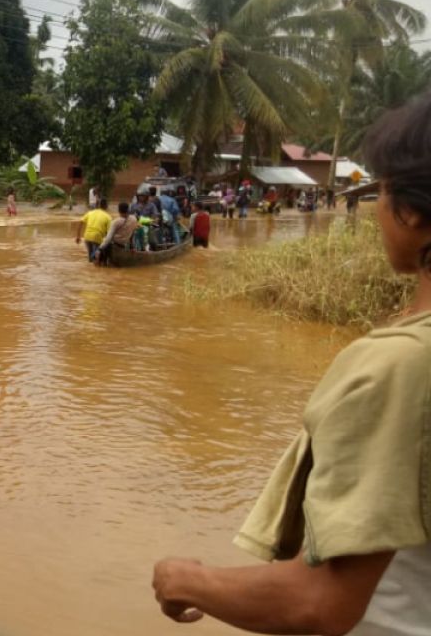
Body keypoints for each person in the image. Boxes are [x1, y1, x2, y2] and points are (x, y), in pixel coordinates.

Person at [152, 94, 431, 635]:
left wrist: (187, 580)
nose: (374, 207)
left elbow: (321, 603)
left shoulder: (400, 365)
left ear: (413, 210)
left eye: (382, 190)